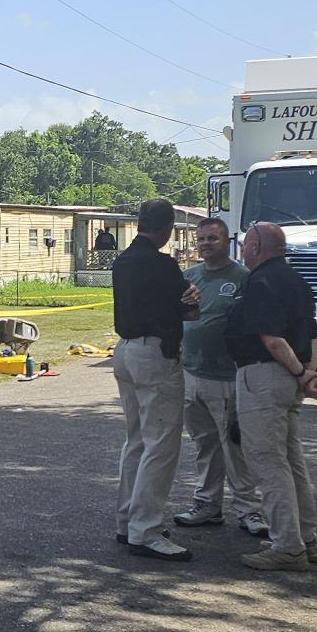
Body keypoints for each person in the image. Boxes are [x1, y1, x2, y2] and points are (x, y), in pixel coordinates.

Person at [226, 224, 317, 572]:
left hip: (265, 374)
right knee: (291, 460)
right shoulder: (296, 281)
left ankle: (287, 545)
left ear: (254, 245)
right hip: (289, 376)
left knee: (268, 462)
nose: (242, 249)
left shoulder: (260, 283)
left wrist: (300, 373)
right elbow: (310, 335)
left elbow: (272, 339)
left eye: (244, 244)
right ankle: (305, 538)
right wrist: (307, 373)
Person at [111, 198, 201, 561]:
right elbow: (190, 311)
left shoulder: (122, 262)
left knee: (136, 440)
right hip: (155, 354)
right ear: (165, 229)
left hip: (126, 350)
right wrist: (193, 295)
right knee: (161, 444)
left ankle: (127, 521)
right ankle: (145, 530)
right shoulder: (163, 264)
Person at [171, 217, 268, 536]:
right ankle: (207, 504)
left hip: (227, 375)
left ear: (227, 241)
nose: (204, 244)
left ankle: (249, 509)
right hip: (192, 372)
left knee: (234, 446)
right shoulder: (189, 276)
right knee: (205, 444)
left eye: (212, 238)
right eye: (200, 239)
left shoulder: (243, 278)